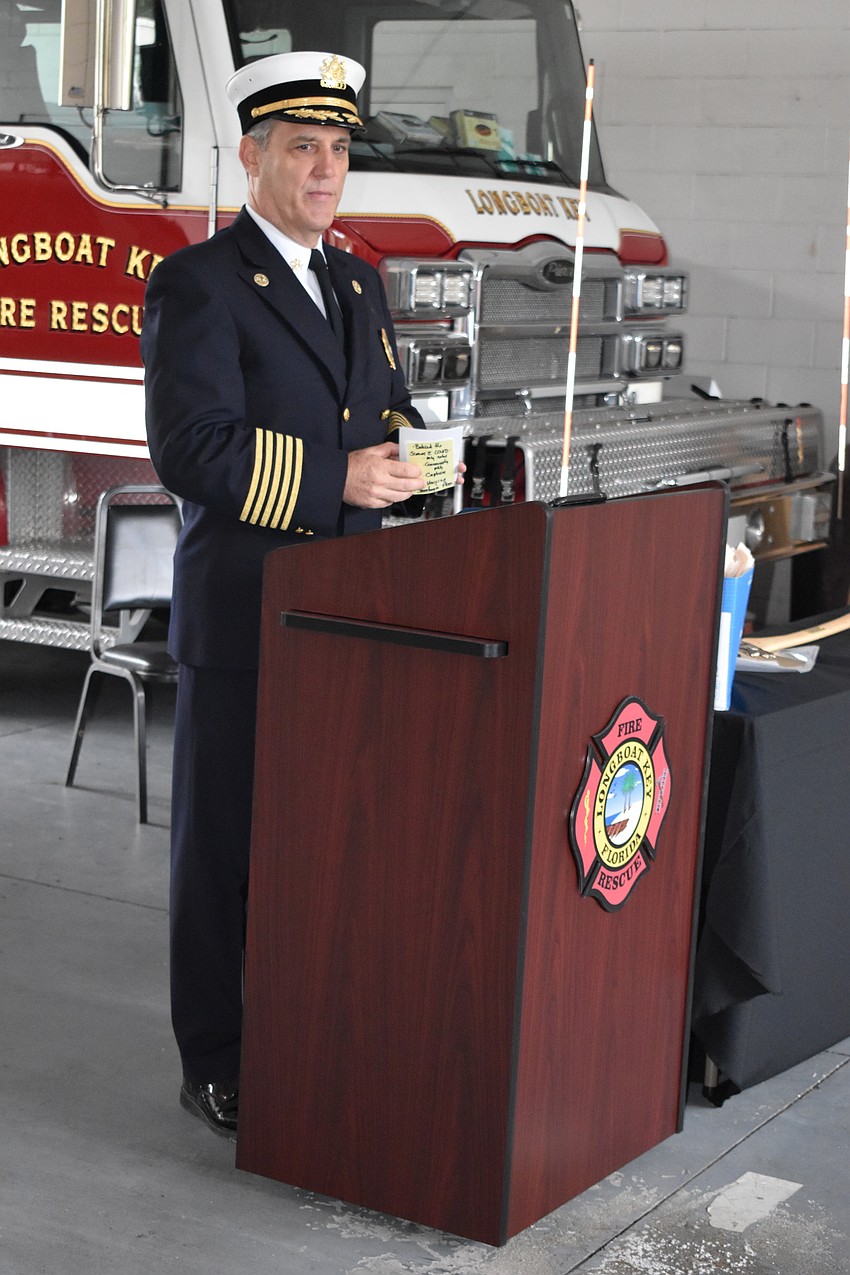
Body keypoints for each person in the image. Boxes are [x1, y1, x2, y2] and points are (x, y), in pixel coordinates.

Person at [141, 51, 430, 1138]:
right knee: (224, 855)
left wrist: (421, 461)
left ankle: (309, 1025)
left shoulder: (356, 279)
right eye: (302, 147)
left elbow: (384, 410)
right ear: (254, 156)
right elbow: (191, 450)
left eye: (338, 149)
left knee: (324, 842)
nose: (324, 168)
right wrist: (336, 478)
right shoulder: (200, 283)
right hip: (247, 612)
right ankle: (214, 1056)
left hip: (352, 611)